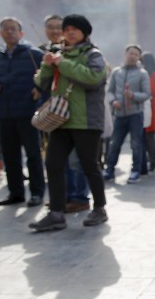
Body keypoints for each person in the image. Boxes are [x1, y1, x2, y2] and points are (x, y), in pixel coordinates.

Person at [29, 14, 109, 232]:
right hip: (60, 120)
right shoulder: (57, 54)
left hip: (86, 120)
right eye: (67, 29)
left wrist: (63, 63)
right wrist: (47, 66)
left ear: (84, 33)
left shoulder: (93, 55)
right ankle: (56, 213)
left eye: (75, 29)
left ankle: (100, 208)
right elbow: (41, 83)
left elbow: (93, 79)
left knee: (89, 165)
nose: (70, 32)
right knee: (53, 164)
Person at [0, 17, 47, 207]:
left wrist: (40, 89)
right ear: (0, 33)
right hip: (5, 112)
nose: (10, 32)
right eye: (6, 29)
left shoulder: (33, 54)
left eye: (13, 29)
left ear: (21, 33)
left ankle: (37, 192)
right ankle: (16, 192)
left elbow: (48, 75)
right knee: (10, 155)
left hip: (28, 111)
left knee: (32, 154)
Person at [103, 45, 150, 185]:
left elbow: (147, 94)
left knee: (136, 144)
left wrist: (133, 95)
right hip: (119, 114)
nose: (133, 56)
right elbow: (110, 91)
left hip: (135, 114)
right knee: (114, 143)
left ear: (139, 57)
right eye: (131, 53)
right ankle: (109, 169)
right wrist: (113, 101)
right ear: (125, 54)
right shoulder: (117, 72)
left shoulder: (142, 73)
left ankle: (135, 171)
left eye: (136, 54)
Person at [140, 52, 155, 173]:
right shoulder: (150, 73)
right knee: (146, 136)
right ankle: (151, 160)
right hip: (147, 106)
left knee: (150, 135)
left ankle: (154, 161)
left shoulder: (152, 73)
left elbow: (152, 90)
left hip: (151, 107)